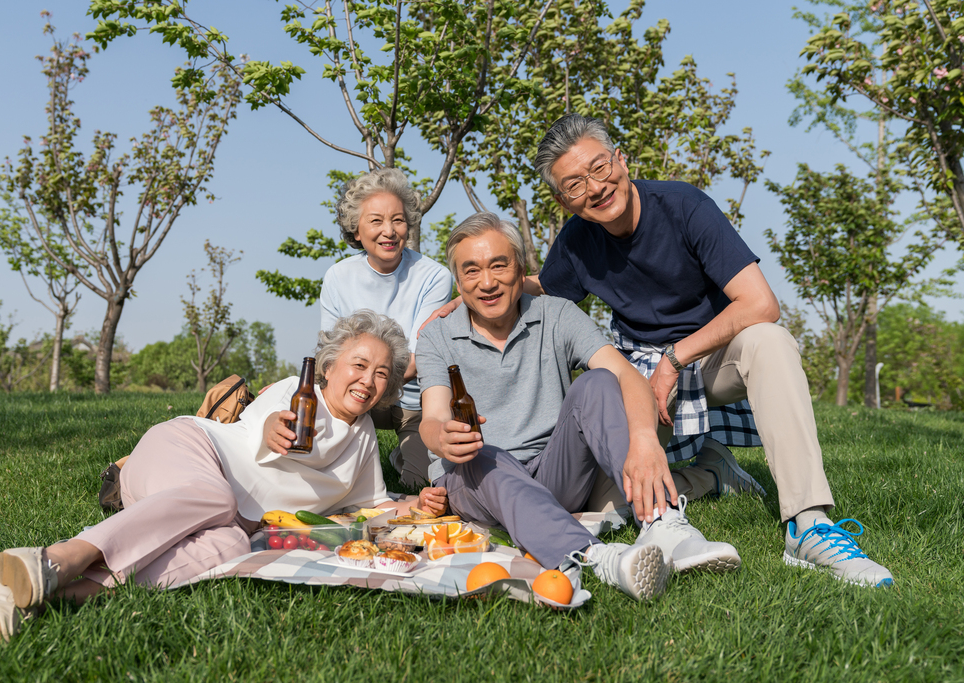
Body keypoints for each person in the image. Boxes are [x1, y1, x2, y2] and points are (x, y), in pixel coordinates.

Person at [530, 113, 892, 587]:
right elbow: (541, 291)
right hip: (641, 376)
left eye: (599, 168)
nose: (595, 187)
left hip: (713, 358)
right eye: (574, 185)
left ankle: (809, 524)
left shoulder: (684, 205)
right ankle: (712, 476)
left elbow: (761, 303)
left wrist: (675, 357)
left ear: (621, 159)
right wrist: (474, 291)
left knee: (769, 339)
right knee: (599, 506)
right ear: (564, 201)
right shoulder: (576, 243)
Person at [0, 311, 449, 641]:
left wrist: (417, 505)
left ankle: (45, 598)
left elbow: (373, 503)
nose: (368, 380)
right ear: (328, 367)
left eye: (381, 373)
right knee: (217, 498)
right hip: (187, 450)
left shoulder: (365, 435)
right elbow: (265, 425)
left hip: (214, 513)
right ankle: (56, 559)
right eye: (359, 365)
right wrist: (274, 431)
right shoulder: (294, 392)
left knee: (230, 546)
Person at [416, 213, 742, 604]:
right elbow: (432, 417)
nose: (487, 282)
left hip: (553, 474)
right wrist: (442, 438)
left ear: (520, 270)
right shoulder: (436, 334)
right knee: (482, 453)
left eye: (498, 265)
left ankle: (663, 521)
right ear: (458, 281)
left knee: (600, 381)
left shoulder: (555, 313)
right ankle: (599, 558)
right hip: (476, 480)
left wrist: (644, 439)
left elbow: (628, 377)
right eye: (471, 271)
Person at [321, 168, 454, 488]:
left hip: (413, 400)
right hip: (353, 395)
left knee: (418, 486)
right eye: (376, 220)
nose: (389, 231)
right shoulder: (337, 277)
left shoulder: (434, 276)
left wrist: (375, 381)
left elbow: (422, 353)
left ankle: (404, 457)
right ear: (355, 230)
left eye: (398, 220)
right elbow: (329, 352)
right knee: (332, 483)